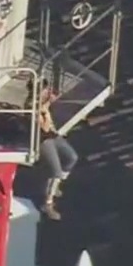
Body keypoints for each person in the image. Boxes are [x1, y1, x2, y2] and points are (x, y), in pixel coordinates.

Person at [36, 87, 78, 220]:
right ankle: (47, 203)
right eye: (45, 92)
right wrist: (45, 110)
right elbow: (45, 127)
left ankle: (56, 184)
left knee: (72, 157)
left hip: (52, 136)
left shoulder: (44, 105)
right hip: (42, 139)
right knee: (55, 172)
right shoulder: (32, 107)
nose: (48, 94)